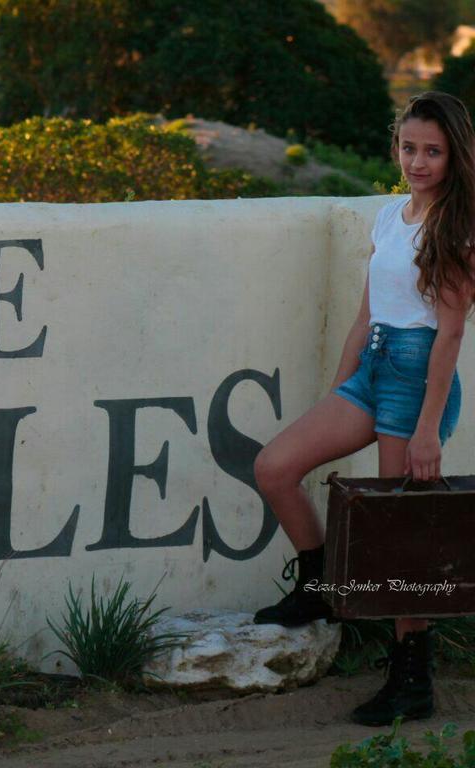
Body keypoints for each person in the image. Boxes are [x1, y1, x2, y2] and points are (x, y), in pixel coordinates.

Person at [251, 91, 475, 727]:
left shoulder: (455, 228)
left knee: (398, 534)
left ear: (455, 154)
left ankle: (412, 678)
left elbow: (451, 335)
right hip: (374, 366)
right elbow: (364, 315)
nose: (419, 161)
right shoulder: (388, 218)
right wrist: (339, 389)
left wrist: (428, 429)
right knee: (276, 466)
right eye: (410, 148)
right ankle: (321, 589)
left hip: (418, 377)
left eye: (433, 150)